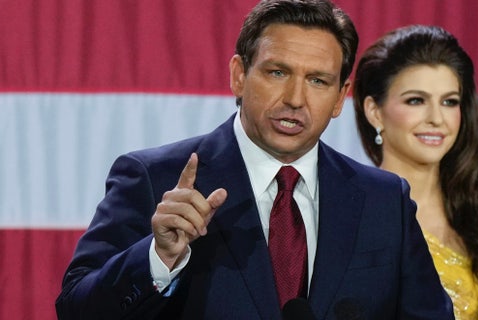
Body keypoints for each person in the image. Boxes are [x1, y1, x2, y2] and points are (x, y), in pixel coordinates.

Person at [55, 1, 454, 319]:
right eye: (278, 72)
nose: (296, 99)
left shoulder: (384, 199)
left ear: (339, 97)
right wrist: (157, 257)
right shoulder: (154, 178)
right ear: (238, 75)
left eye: (318, 80)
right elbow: (75, 309)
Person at [353, 25, 478, 320]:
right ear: (374, 111)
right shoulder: (352, 217)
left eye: (449, 102)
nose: (436, 118)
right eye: (416, 100)